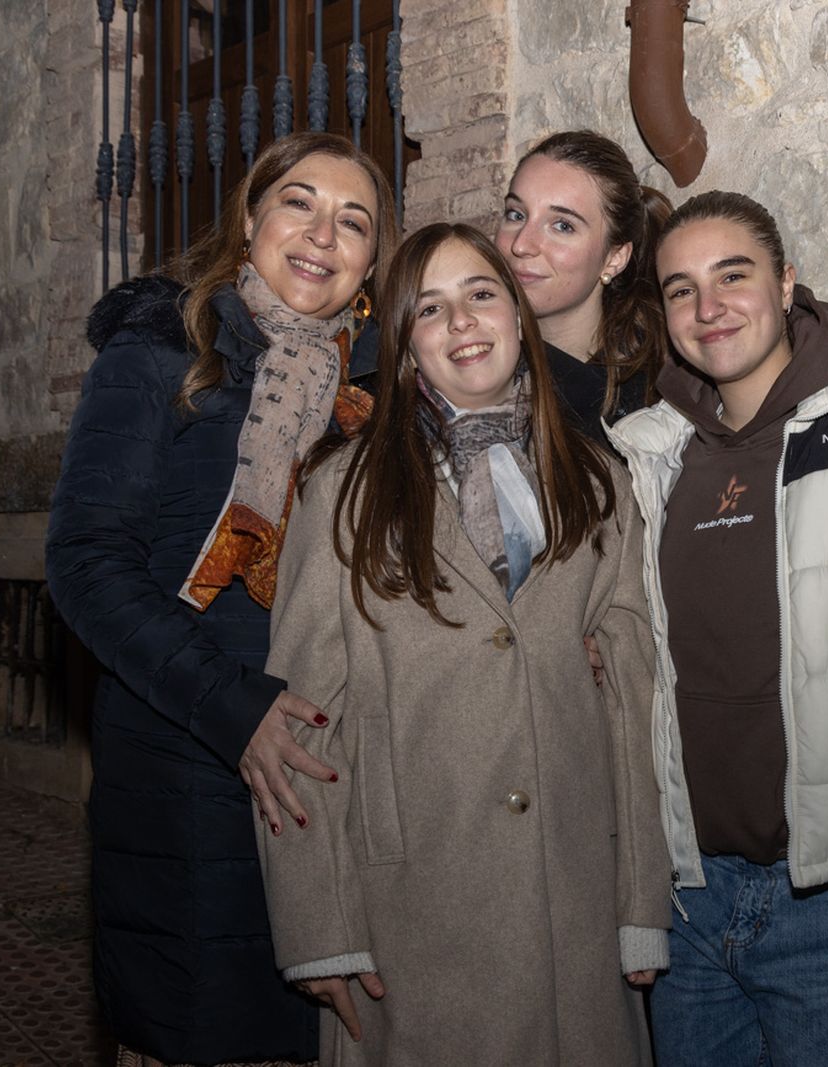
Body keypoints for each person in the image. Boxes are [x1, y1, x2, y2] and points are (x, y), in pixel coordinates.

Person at [256, 222, 669, 1065]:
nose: (464, 323)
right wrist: (318, 928)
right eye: (431, 310)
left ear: (519, 317)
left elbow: (633, 694)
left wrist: (639, 908)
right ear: (406, 349)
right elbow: (298, 720)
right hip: (410, 917)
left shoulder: (598, 482)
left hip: (574, 906)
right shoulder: (344, 493)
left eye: (481, 294)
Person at [45, 131, 397, 1066]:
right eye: (299, 202)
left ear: (371, 261)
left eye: (353, 220)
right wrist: (233, 711)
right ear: (250, 221)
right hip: (186, 764)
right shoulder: (166, 348)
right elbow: (85, 562)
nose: (323, 232)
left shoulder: (375, 397)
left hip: (334, 781)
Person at [606, 191, 828, 1066]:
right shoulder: (641, 453)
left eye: (733, 275)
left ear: (786, 282)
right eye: (679, 289)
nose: (708, 308)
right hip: (691, 899)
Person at [496, 129, 671, 443]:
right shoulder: (468, 366)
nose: (522, 244)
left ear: (614, 258)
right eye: (516, 214)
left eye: (562, 225)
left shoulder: (661, 399)